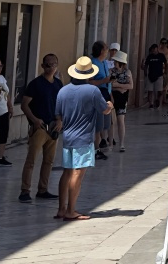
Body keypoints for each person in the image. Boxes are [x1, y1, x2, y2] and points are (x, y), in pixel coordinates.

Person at [54, 57, 112, 222]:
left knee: (66, 172)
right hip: (84, 138)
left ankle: (61, 209)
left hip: (68, 137)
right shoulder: (93, 91)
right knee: (78, 174)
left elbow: (58, 114)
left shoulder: (63, 91)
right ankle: (71, 210)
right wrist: (110, 105)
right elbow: (104, 110)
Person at [18, 54, 64, 203]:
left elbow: (61, 104)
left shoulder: (58, 84)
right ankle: (25, 191)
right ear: (43, 66)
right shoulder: (35, 84)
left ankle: (43, 189)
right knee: (31, 160)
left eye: (54, 64)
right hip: (39, 127)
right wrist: (35, 120)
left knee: (48, 161)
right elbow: (25, 104)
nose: (51, 67)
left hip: (53, 128)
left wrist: (60, 120)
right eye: (48, 65)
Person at [88, 41, 113, 159]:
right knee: (98, 124)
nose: (108, 50)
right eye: (106, 48)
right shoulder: (93, 63)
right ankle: (96, 149)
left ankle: (101, 143)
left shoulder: (104, 63)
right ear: (101, 51)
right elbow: (90, 81)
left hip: (106, 95)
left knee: (105, 123)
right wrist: (104, 81)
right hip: (97, 95)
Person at [108, 50, 131, 153]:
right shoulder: (111, 71)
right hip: (113, 97)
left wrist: (117, 85)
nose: (114, 63)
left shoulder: (127, 72)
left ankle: (122, 144)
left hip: (122, 99)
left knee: (121, 121)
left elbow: (131, 86)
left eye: (116, 61)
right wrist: (120, 87)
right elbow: (110, 85)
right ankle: (111, 143)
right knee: (112, 122)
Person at [144, 42, 167, 114]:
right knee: (150, 90)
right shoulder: (149, 57)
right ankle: (150, 103)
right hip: (150, 75)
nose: (153, 51)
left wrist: (166, 71)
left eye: (154, 50)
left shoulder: (161, 56)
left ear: (157, 49)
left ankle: (158, 102)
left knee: (159, 91)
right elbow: (146, 65)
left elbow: (166, 63)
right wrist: (145, 72)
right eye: (152, 50)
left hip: (159, 75)